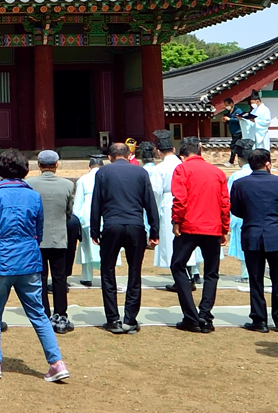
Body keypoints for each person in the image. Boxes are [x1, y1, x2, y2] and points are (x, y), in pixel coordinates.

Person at [0, 149, 69, 383]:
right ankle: (56, 362)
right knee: (38, 313)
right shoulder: (33, 197)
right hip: (28, 259)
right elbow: (39, 229)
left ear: (1, 170)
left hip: (0, 258)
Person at [88, 141, 157, 333]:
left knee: (107, 271)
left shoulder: (103, 172)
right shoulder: (141, 172)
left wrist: (94, 230)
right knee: (135, 272)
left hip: (112, 224)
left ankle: (112, 319)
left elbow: (96, 202)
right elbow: (150, 202)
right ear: (129, 155)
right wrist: (154, 230)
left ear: (109, 157)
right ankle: (130, 318)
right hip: (135, 225)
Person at [166, 138, 230, 331]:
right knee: (211, 272)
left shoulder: (182, 169)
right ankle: (205, 315)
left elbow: (180, 199)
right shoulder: (217, 172)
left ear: (182, 156)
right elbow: (225, 203)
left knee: (178, 265)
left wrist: (176, 221)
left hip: (190, 225)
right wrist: (224, 228)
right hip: (212, 226)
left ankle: (190, 316)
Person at [229, 147, 278, 332]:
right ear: (268, 163)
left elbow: (236, 209)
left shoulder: (240, 184)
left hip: (252, 233)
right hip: (275, 233)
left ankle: (259, 320)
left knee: (255, 279)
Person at [31, 149, 79, 328]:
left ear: (39, 165)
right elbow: (69, 212)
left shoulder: (30, 184)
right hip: (59, 236)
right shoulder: (67, 185)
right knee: (59, 277)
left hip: (38, 238)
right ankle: (61, 313)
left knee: (40, 277)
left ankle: (44, 313)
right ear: (57, 164)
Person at [144, 140, 178, 274]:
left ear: (159, 152)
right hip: (186, 201)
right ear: (174, 149)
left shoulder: (160, 168)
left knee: (169, 238)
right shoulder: (182, 164)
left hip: (168, 201)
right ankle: (193, 271)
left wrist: (155, 208)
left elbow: (156, 191)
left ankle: (178, 272)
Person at [71, 152, 103, 289]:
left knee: (86, 247)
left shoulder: (83, 179)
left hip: (87, 216)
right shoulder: (107, 177)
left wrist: (76, 218)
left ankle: (87, 277)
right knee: (107, 248)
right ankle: (107, 275)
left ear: (89, 167)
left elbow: (78, 202)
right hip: (105, 216)